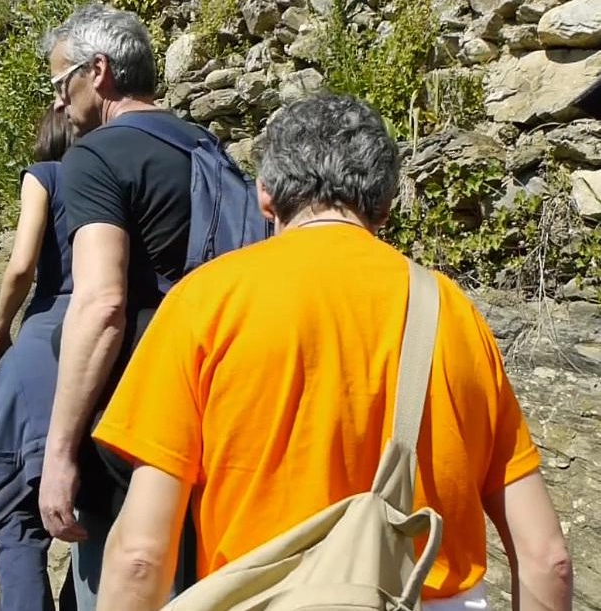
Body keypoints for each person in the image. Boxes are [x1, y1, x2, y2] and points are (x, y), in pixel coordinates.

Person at [89, 94, 574, 611]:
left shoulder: (205, 303)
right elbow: (547, 558)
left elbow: (141, 555)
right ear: (385, 205)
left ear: (265, 196)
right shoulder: (456, 315)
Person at [37, 3, 211, 606]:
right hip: (212, 416)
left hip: (130, 428)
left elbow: (101, 305)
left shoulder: (96, 157)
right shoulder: (206, 148)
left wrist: (58, 454)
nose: (59, 103)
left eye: (63, 83)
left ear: (99, 71)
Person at [0, 106, 76, 611]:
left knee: (12, 510)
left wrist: (0, 330)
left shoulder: (45, 175)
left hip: (49, 342)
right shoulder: (125, 181)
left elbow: (22, 263)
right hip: (126, 345)